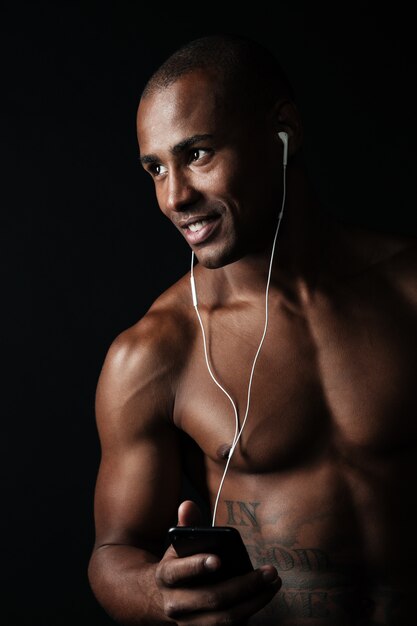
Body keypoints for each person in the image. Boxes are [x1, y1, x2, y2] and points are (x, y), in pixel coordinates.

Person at [87, 33, 417, 625]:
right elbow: (114, 552)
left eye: (197, 154)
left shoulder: (408, 291)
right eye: (156, 167)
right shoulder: (155, 354)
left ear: (282, 131)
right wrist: (156, 594)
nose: (174, 196)